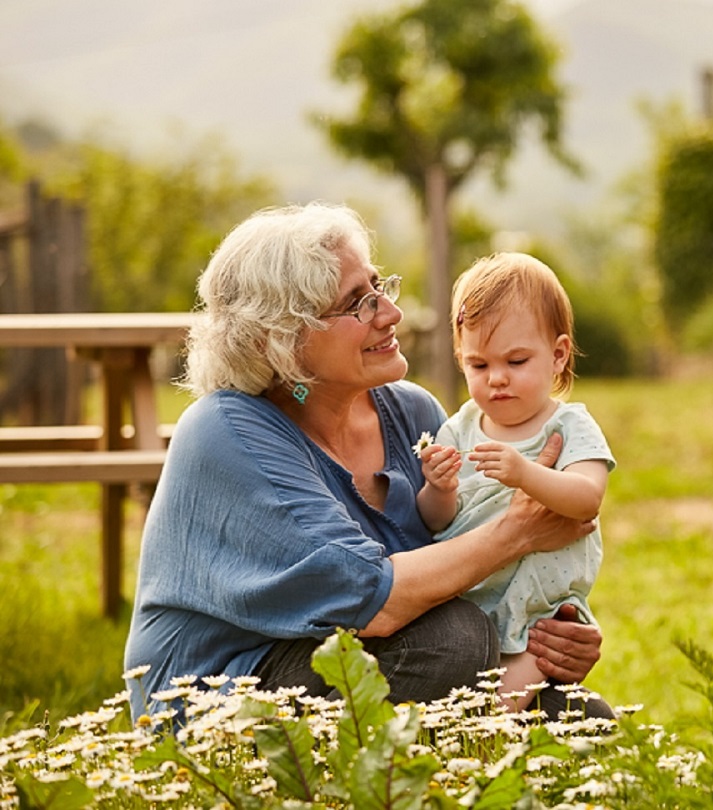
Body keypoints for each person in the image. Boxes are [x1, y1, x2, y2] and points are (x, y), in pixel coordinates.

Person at [124, 203, 609, 722]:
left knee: (583, 718)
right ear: (284, 339)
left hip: (374, 659)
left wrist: (552, 629)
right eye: (358, 303)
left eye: (380, 288)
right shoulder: (225, 431)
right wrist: (520, 532)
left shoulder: (412, 411)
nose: (391, 313)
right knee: (455, 641)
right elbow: (370, 601)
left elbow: (461, 555)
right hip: (225, 695)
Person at [415, 252, 613, 713]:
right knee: (462, 696)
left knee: (494, 710)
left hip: (540, 608)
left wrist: (526, 472)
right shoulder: (459, 428)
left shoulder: (568, 426)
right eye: (478, 366)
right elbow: (434, 521)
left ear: (558, 355)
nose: (497, 379)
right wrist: (439, 490)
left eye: (517, 360)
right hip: (473, 595)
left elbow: (587, 499)